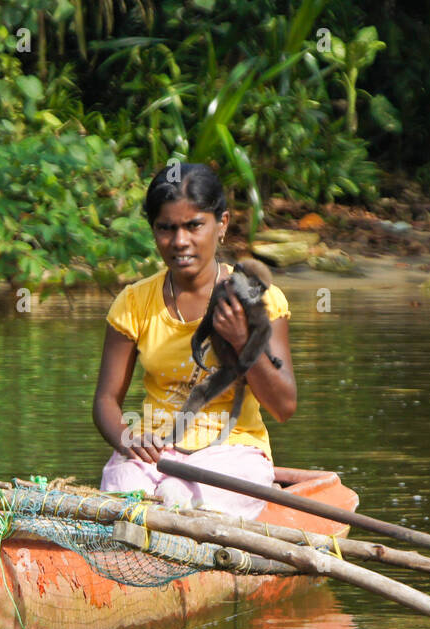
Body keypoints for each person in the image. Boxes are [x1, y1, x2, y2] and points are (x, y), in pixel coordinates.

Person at [92, 163, 296, 518]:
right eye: (166, 228)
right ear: (153, 231)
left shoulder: (260, 299)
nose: (180, 241)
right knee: (123, 492)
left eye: (193, 226)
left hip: (233, 454)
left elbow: (283, 406)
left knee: (182, 496)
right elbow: (107, 400)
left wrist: (242, 340)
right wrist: (127, 438)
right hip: (154, 453)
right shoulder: (134, 302)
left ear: (222, 225)